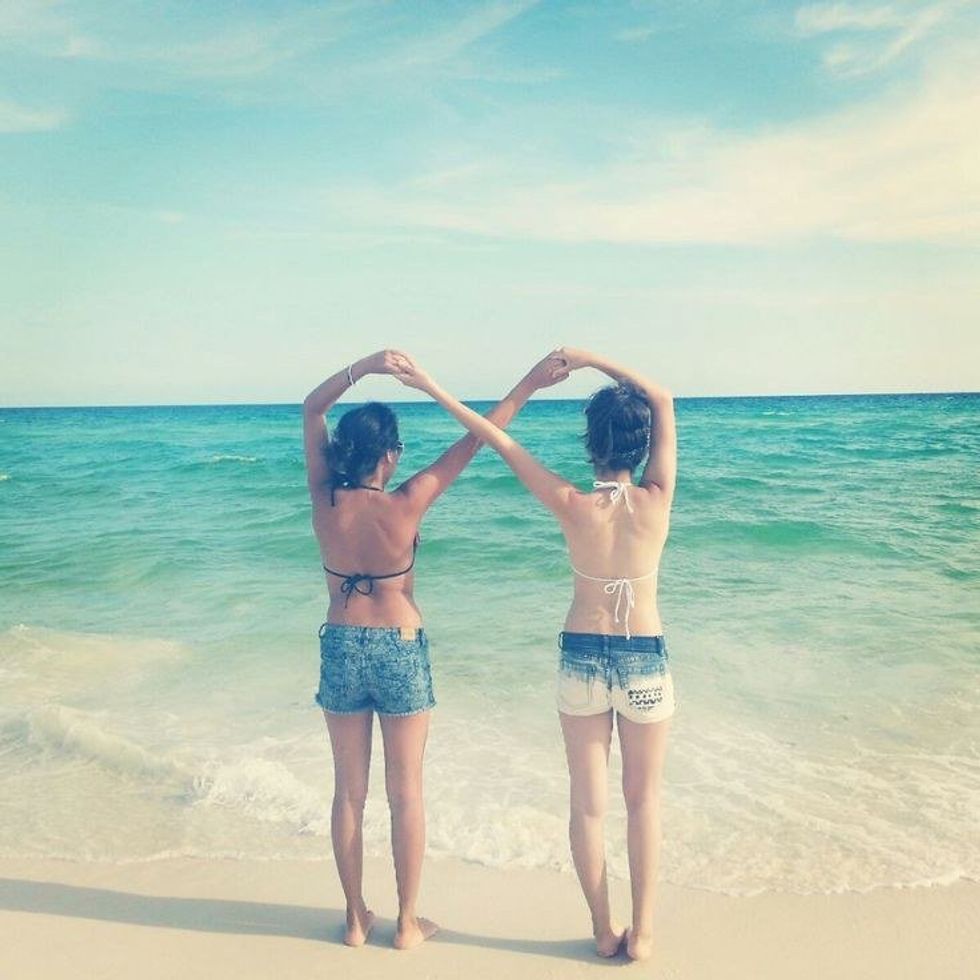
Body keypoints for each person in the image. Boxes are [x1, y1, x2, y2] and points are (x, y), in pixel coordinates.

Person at [394, 347, 676, 962]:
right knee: (643, 801)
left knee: (589, 807)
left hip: (582, 656)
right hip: (644, 657)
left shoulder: (572, 503)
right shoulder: (656, 502)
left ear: (590, 445)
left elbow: (496, 438)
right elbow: (661, 397)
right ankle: (644, 931)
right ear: (642, 444)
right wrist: (593, 360)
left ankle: (603, 929)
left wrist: (432, 385)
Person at [303, 348, 563, 950]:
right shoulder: (409, 499)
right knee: (406, 792)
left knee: (348, 791)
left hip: (341, 643)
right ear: (390, 455)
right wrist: (528, 381)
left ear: (344, 452)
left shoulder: (324, 497)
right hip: (399, 645)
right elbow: (478, 438)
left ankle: (354, 918)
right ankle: (407, 923)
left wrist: (364, 368)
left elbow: (312, 407)